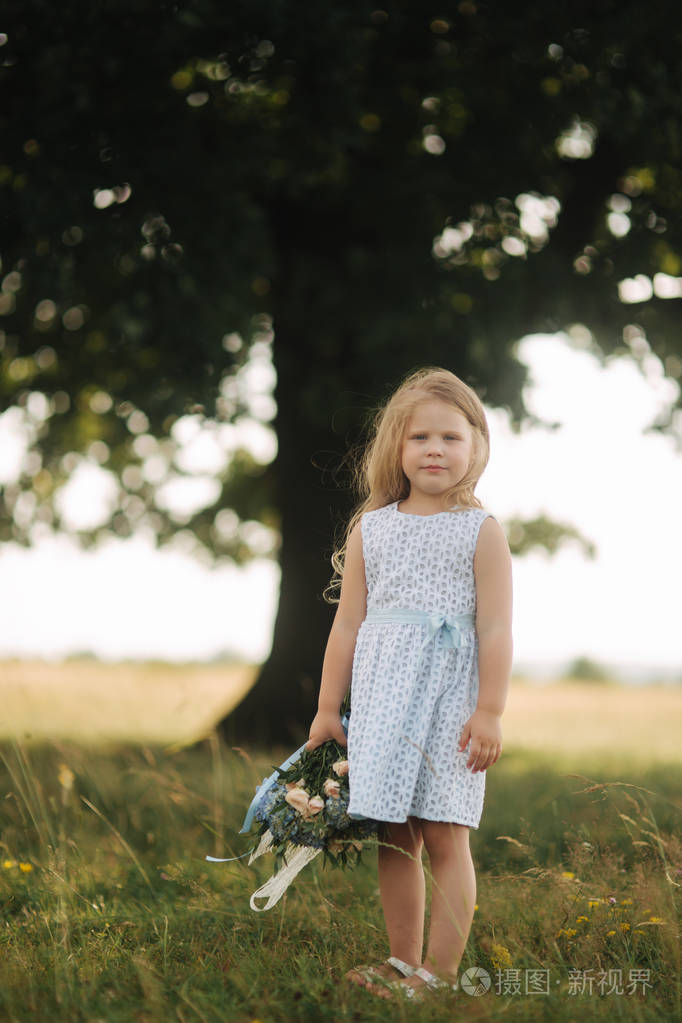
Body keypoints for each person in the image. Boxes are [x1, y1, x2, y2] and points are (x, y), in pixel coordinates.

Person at [305, 367, 513, 1000]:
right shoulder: (372, 528)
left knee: (444, 830)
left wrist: (490, 711)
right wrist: (327, 709)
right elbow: (347, 626)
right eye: (420, 437)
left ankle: (440, 976)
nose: (435, 450)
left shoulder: (480, 530)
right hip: (384, 702)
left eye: (451, 437)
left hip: (449, 701)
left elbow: (496, 629)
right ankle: (402, 962)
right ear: (396, 446)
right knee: (395, 835)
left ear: (476, 446)